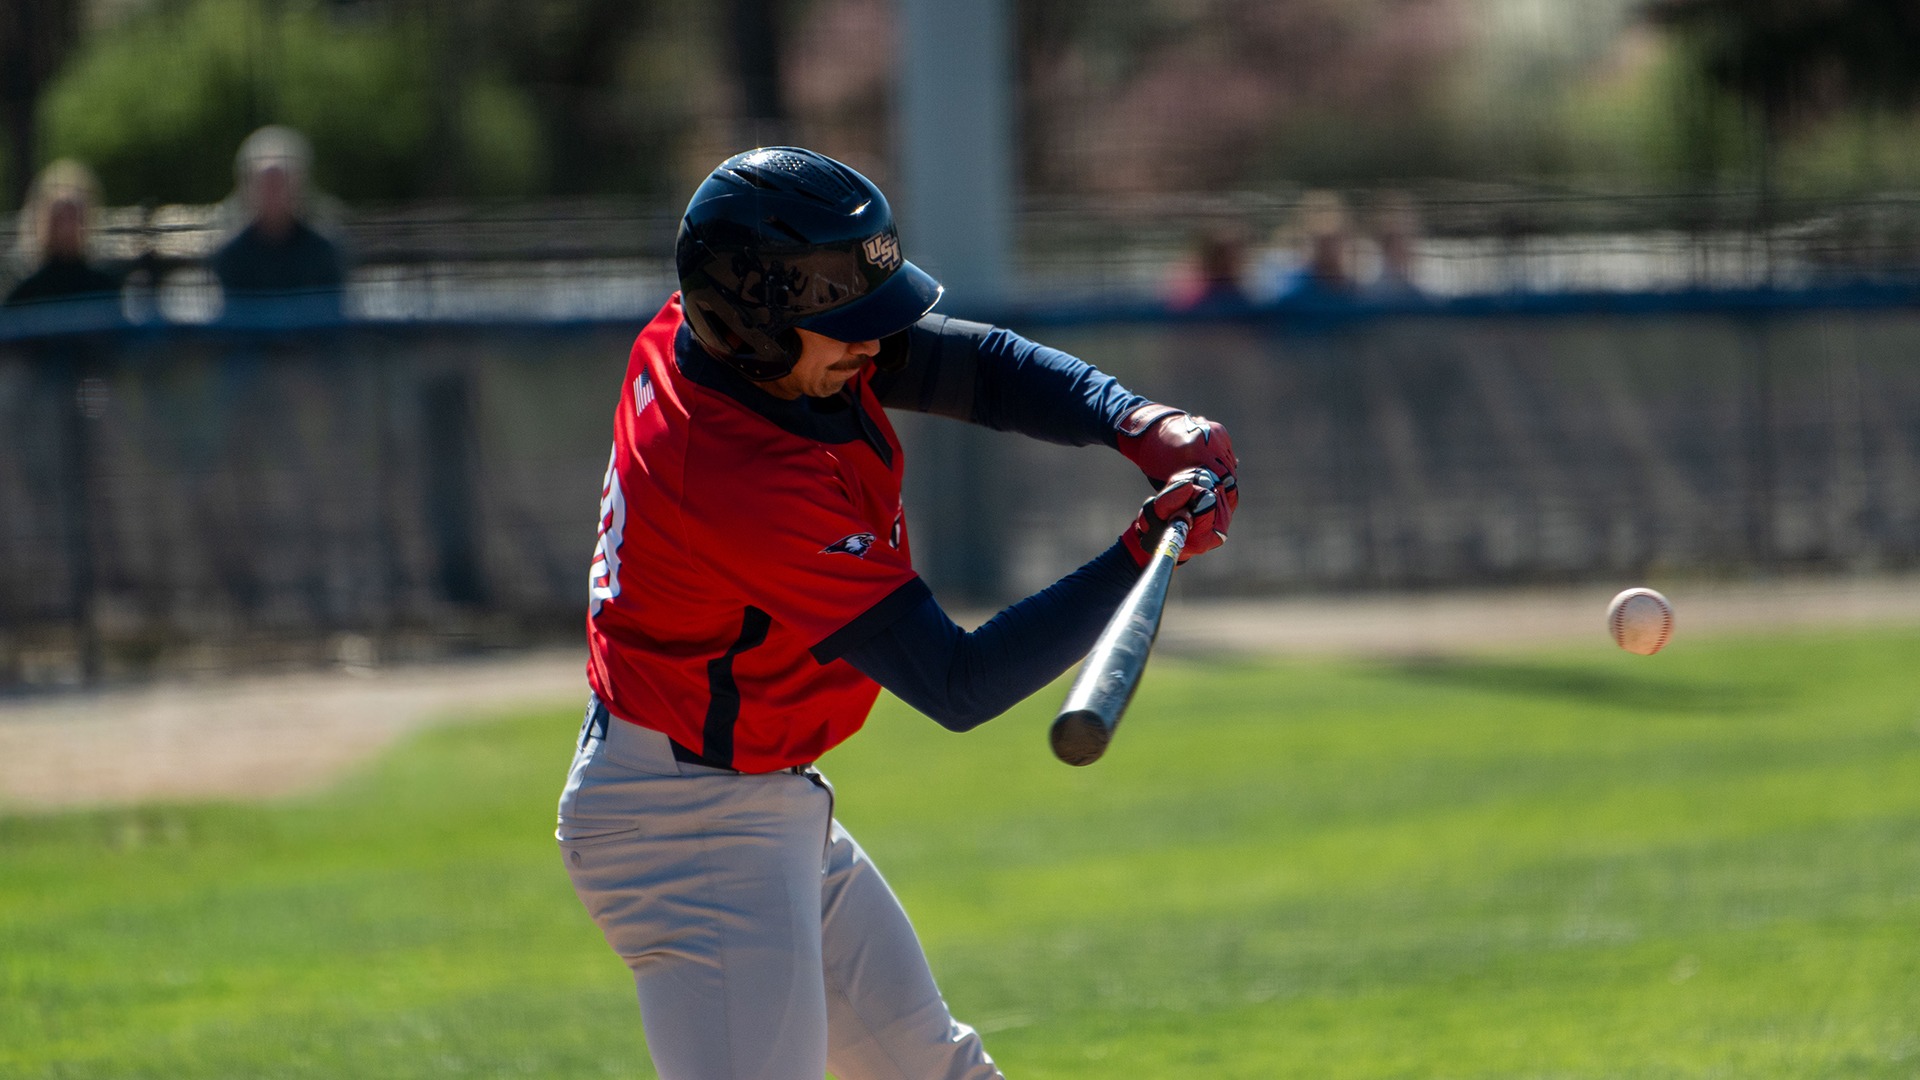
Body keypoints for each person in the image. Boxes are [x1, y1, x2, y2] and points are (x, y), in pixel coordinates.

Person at [557, 147, 1240, 1080]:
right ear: (753, 320)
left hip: (746, 796)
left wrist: (1133, 419)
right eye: (845, 326)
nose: (872, 347)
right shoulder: (734, 475)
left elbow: (977, 366)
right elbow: (956, 682)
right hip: (690, 827)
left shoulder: (732, 343)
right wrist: (1137, 554)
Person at [211, 126, 345, 315]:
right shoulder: (229, 256)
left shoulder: (324, 252)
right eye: (265, 185)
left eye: (280, 184)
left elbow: (331, 318)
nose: (273, 193)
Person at [4, 160, 122, 313]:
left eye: (73, 217)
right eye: (59, 218)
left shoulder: (105, 289)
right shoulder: (25, 295)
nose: (67, 228)